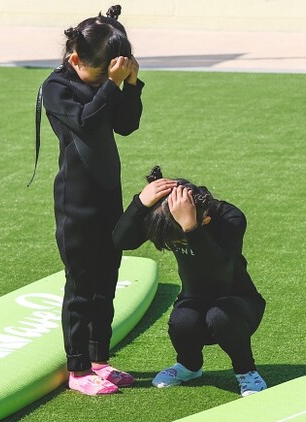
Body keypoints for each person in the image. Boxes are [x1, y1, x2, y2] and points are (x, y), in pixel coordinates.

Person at [40, 5, 144, 396]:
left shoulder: (109, 84)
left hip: (107, 195)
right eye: (100, 74)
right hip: (76, 202)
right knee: (82, 286)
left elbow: (126, 125)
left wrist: (130, 86)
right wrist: (111, 86)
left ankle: (99, 357)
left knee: (107, 282)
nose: (106, 81)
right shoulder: (56, 88)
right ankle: (78, 368)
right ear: (74, 59)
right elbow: (84, 122)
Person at [112, 167, 267, 397]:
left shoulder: (230, 217)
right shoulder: (166, 215)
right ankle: (189, 367)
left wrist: (191, 228)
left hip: (239, 304)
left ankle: (246, 371)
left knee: (220, 316)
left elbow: (220, 267)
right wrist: (140, 203)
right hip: (193, 299)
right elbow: (121, 240)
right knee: (181, 321)